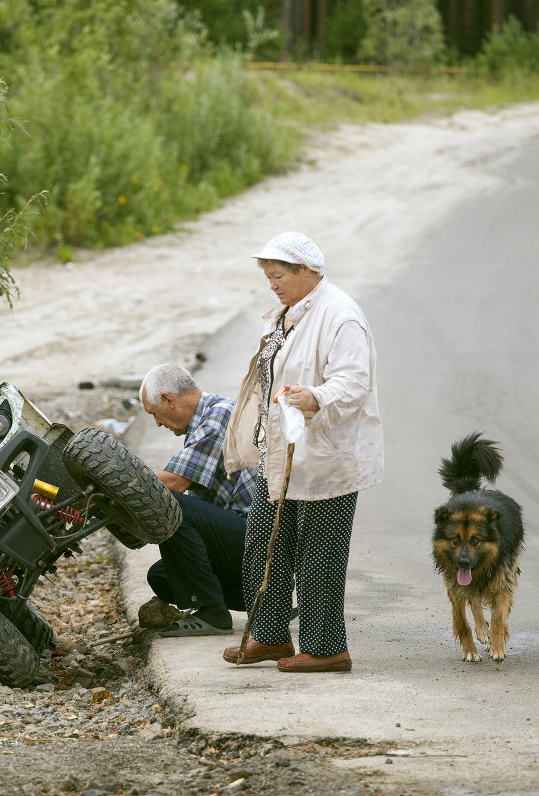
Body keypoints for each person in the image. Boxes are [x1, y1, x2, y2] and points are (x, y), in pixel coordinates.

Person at [221, 231, 383, 673]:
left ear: (307, 271)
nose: (272, 284)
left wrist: (315, 398)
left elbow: (352, 384)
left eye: (279, 276)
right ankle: (269, 636)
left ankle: (328, 647)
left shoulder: (340, 315)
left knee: (320, 553)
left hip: (326, 457)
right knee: (263, 545)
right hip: (281, 455)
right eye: (268, 277)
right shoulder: (288, 313)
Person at [138, 364, 257, 636]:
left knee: (171, 504)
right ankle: (263, 601)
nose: (157, 423)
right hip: (245, 541)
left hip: (261, 539)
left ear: (169, 400)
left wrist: (120, 480)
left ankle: (214, 614)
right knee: (162, 575)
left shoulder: (220, 416)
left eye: (154, 414)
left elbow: (174, 482)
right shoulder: (206, 420)